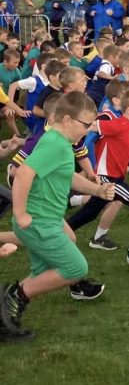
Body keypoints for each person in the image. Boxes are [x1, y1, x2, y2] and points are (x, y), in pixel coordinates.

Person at [0, 92, 115, 341]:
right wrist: (20, 213)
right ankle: (12, 298)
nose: (87, 131)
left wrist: (96, 190)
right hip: (38, 221)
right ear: (66, 120)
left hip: (48, 219)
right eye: (85, 125)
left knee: (44, 272)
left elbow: (66, 176)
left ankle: (6, 317)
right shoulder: (54, 143)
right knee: (75, 267)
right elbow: (22, 174)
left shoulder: (59, 142)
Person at [66, 88, 129, 266]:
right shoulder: (118, 124)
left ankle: (57, 235)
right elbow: (91, 125)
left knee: (90, 212)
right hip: (107, 178)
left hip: (117, 178)